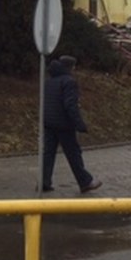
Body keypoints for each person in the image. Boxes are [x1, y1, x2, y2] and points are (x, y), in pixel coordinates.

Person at [41, 55, 102, 194]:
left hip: (49, 122)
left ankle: (44, 181)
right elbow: (70, 105)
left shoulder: (49, 81)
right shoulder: (69, 82)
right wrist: (79, 124)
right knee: (73, 153)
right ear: (70, 67)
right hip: (64, 124)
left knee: (48, 153)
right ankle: (85, 181)